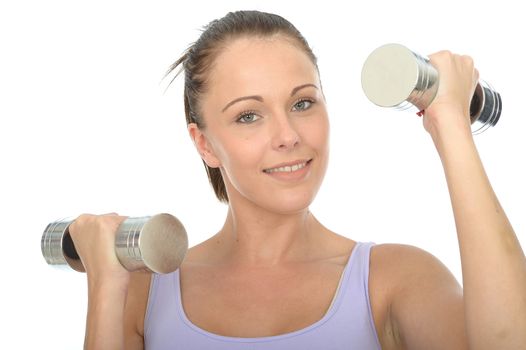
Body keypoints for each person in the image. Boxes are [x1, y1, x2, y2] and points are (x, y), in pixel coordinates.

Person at [68, 10, 526, 350]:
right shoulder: (146, 292)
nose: (288, 136)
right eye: (249, 115)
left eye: (303, 103)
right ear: (204, 144)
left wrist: (451, 125)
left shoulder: (395, 280)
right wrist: (106, 288)